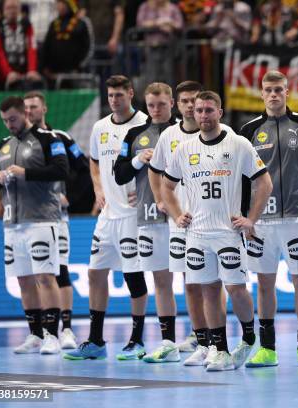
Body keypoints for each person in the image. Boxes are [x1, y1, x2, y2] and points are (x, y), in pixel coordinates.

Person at [161, 91, 273, 371]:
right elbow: (166, 185)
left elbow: (265, 183)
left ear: (220, 112)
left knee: (235, 288)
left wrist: (251, 219)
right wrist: (176, 214)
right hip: (197, 234)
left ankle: (248, 336)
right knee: (209, 290)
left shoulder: (238, 144)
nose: (203, 116)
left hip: (227, 232)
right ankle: (219, 349)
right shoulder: (184, 149)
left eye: (209, 110)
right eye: (199, 110)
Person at [238, 70, 298, 368]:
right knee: (264, 284)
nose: (274, 94)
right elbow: (240, 178)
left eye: (279, 89)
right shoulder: (248, 129)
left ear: (287, 92)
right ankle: (268, 348)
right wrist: (244, 216)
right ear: (262, 94)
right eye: (268, 90)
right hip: (261, 220)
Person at [64, 75, 149, 361]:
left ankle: (137, 340)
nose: (114, 100)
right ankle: (96, 340)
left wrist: (147, 191)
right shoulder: (100, 127)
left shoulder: (144, 125)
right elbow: (94, 160)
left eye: (119, 95)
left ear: (131, 94)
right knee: (94, 273)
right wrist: (98, 189)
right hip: (107, 215)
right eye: (110, 95)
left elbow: (164, 162)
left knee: (133, 278)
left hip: (134, 217)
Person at [148, 81, 231, 365]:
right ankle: (202, 340)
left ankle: (218, 340)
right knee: (191, 282)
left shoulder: (225, 135)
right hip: (180, 224)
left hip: (216, 223)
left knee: (215, 283)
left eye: (193, 101)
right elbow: (156, 171)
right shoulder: (170, 136)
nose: (189, 106)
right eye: (183, 101)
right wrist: (164, 202)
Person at [0, 96, 68, 355]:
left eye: (12, 119)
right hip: (12, 224)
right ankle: (34, 334)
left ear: (25, 114)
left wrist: (26, 173)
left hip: (42, 220)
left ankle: (52, 335)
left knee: (45, 277)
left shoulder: (48, 139)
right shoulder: (3, 146)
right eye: (4, 121)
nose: (9, 124)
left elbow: (62, 170)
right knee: (23, 280)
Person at [113, 82, 179, 363]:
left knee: (197, 281)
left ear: (172, 103)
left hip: (183, 217)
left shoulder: (185, 132)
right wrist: (139, 160)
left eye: (161, 105)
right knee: (161, 280)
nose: (156, 110)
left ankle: (204, 340)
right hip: (149, 216)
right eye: (151, 105)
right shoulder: (135, 134)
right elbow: (119, 174)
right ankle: (168, 342)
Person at [23, 91, 90, 350]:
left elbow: (84, 170)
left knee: (59, 270)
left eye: (34, 107)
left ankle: (67, 330)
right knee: (34, 274)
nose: (29, 111)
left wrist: (69, 197)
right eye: (26, 107)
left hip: (56, 218)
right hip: (26, 221)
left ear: (45, 109)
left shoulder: (61, 138)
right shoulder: (19, 141)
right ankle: (38, 332)